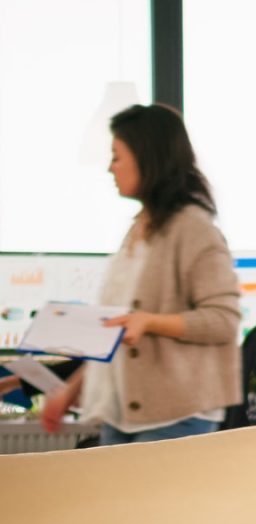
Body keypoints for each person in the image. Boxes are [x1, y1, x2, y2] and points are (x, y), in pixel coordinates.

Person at [41, 103, 241, 445]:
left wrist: (149, 322)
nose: (109, 168)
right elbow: (119, 331)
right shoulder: (139, 230)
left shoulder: (194, 228)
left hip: (176, 412)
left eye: (117, 156)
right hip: (123, 411)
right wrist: (70, 389)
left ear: (147, 157)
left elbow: (223, 320)